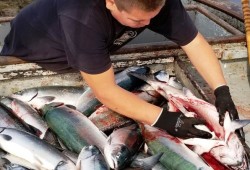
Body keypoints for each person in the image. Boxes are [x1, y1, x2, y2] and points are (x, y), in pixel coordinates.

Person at [0, 0, 241, 139]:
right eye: (138, 21)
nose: (148, 24)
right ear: (110, 1)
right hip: (39, 49)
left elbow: (193, 42)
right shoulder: (82, 16)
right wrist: (166, 119)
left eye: (153, 17)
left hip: (91, 41)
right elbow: (106, 92)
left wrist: (221, 90)